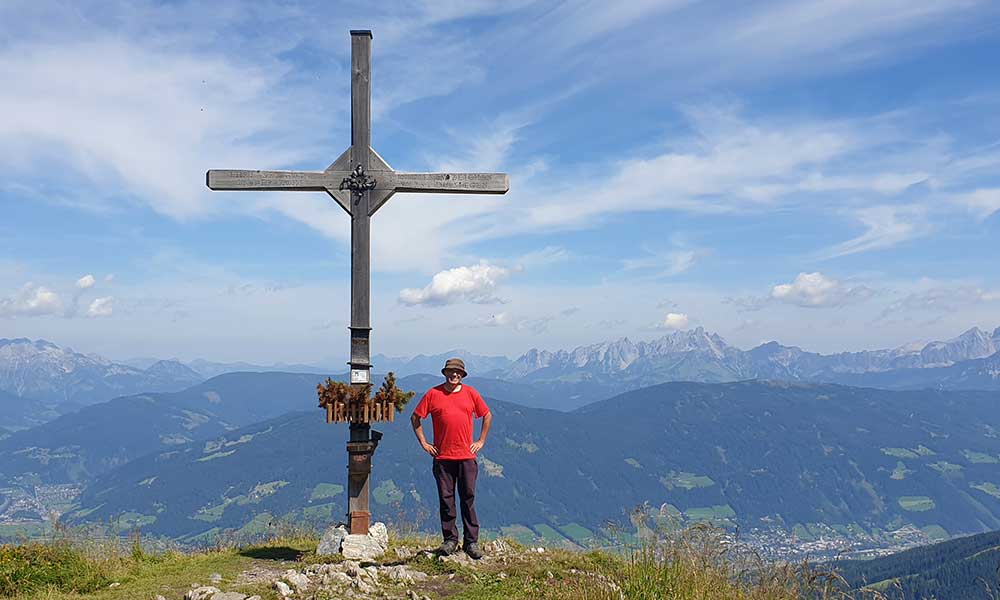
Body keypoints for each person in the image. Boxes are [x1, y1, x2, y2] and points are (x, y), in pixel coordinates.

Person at [410, 357, 492, 559]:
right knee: (446, 500)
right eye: (450, 371)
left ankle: (471, 542)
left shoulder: (471, 393)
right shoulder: (433, 394)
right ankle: (450, 540)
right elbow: (415, 417)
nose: (454, 375)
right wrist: (424, 443)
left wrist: (481, 441)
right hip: (443, 457)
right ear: (445, 373)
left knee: (468, 499)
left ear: (462, 375)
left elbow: (487, 415)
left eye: (457, 372)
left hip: (466, 456)